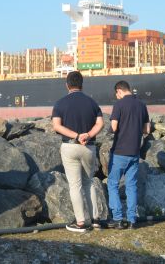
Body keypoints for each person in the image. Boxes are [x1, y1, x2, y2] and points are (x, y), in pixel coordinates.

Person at [51, 70, 105, 232]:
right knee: (89, 183)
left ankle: (80, 222)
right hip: (88, 146)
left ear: (67, 85)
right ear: (82, 84)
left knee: (75, 185)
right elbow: (100, 124)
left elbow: (57, 126)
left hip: (69, 146)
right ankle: (96, 220)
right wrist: (87, 135)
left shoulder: (60, 103)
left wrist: (76, 136)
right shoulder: (92, 103)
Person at [107, 80, 150, 229]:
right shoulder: (142, 105)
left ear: (119, 91)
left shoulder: (119, 105)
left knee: (112, 183)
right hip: (135, 152)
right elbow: (147, 130)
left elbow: (114, 127)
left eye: (116, 94)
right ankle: (132, 220)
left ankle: (118, 218)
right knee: (131, 185)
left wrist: (109, 131)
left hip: (119, 151)